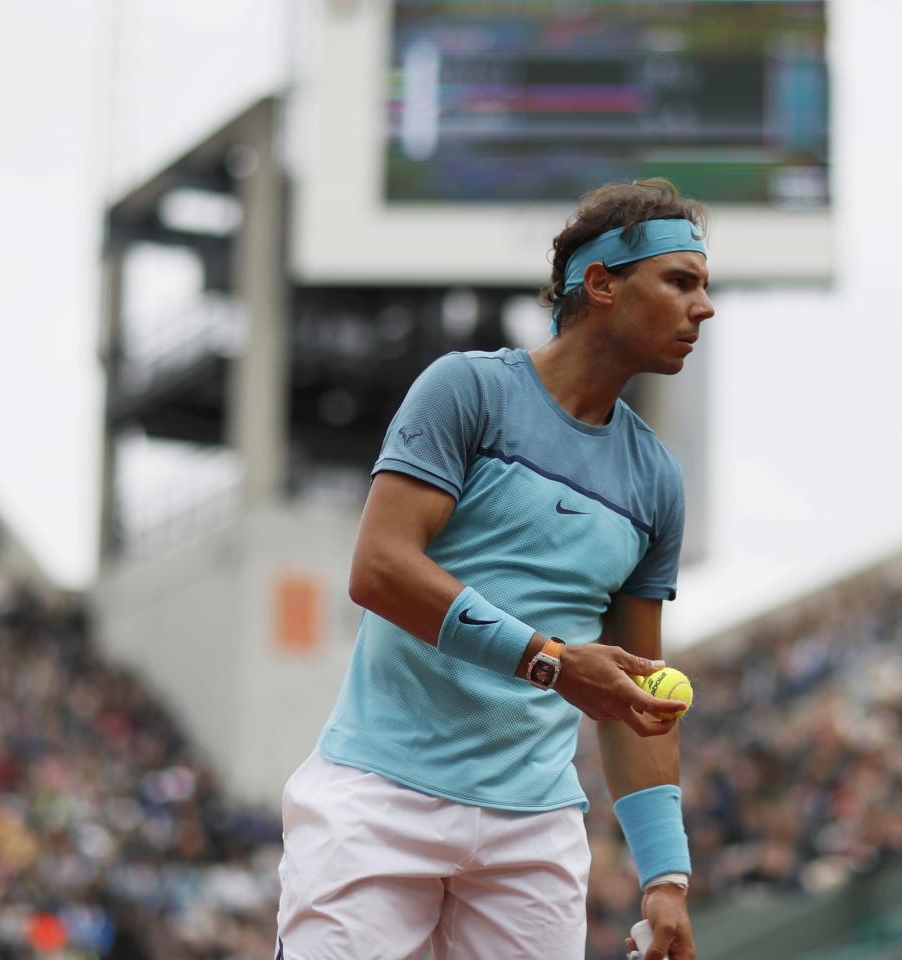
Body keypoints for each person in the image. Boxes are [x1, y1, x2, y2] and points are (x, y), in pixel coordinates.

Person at [276, 178, 713, 960]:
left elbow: (639, 695)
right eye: (681, 282)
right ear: (602, 283)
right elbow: (379, 569)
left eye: (703, 288)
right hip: (378, 797)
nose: (702, 309)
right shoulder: (467, 390)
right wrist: (550, 663)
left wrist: (666, 878)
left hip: (533, 832)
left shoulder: (658, 481)